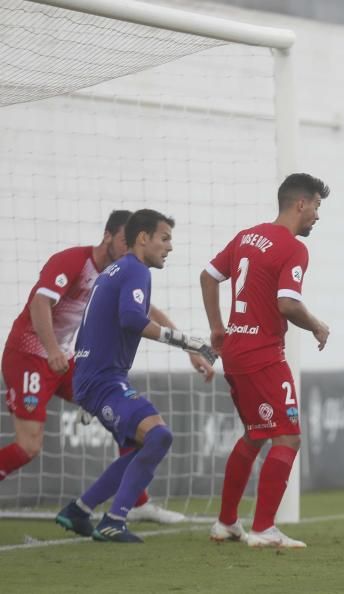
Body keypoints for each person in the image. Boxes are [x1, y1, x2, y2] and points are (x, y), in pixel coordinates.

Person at [3, 210, 204, 524]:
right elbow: (40, 303)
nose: (128, 247)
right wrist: (53, 349)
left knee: (132, 424)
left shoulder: (118, 271)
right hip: (31, 354)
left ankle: (133, 502)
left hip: (72, 362)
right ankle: (109, 510)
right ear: (109, 236)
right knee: (29, 446)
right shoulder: (74, 262)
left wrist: (188, 350)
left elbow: (145, 310)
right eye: (125, 240)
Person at [55, 210, 216, 542]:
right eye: (165, 238)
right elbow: (131, 319)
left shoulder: (114, 270)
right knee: (159, 436)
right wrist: (188, 341)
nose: (169, 247)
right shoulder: (135, 269)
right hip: (102, 379)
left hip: (93, 375)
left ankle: (80, 510)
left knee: (135, 449)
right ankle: (114, 520)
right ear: (143, 238)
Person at [201, 173, 331, 549]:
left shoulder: (246, 237)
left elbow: (208, 277)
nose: (317, 217)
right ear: (300, 204)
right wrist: (317, 326)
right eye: (317, 207)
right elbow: (287, 304)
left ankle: (226, 523)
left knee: (256, 434)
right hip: (263, 355)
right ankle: (263, 528)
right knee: (288, 437)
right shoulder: (292, 247)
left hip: (236, 353)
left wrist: (217, 328)